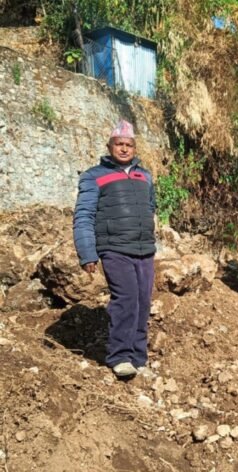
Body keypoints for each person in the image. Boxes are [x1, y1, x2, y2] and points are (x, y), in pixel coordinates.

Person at [73, 119, 156, 379]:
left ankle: (138, 358)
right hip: (114, 248)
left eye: (128, 144)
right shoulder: (93, 176)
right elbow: (84, 214)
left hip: (144, 249)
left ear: (134, 147)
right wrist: (87, 252)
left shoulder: (145, 176)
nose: (123, 149)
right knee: (127, 300)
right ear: (110, 147)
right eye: (118, 144)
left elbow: (150, 208)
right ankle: (120, 355)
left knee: (143, 303)